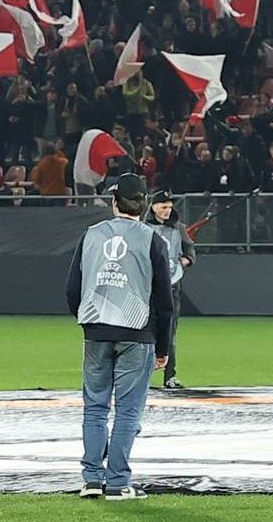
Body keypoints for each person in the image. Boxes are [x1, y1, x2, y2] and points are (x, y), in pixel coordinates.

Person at [66, 177, 178, 499]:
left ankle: (91, 479)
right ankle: (117, 482)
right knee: (128, 411)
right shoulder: (153, 240)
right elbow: (165, 302)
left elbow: (72, 288)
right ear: (144, 205)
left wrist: (88, 321)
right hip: (137, 333)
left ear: (114, 202)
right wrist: (163, 347)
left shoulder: (91, 234)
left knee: (95, 408)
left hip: (96, 330)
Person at [149, 194, 195, 391]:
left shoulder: (178, 228)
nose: (167, 211)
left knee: (170, 331)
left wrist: (185, 260)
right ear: (153, 207)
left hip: (172, 285)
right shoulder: (144, 228)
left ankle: (170, 376)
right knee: (147, 331)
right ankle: (144, 376)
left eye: (169, 207)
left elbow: (189, 250)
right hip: (148, 287)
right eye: (163, 207)